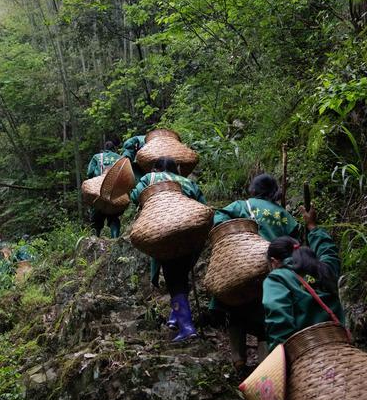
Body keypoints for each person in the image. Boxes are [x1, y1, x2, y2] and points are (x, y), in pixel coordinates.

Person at [262, 205, 343, 400]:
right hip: (340, 359)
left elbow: (279, 324)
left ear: (275, 262)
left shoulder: (278, 279)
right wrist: (313, 228)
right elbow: (329, 253)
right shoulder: (324, 271)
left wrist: (278, 370)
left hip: (306, 365)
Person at [211, 173, 301, 369]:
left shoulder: (243, 206)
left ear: (253, 189)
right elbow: (296, 243)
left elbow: (218, 219)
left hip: (243, 267)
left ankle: (238, 360)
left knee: (236, 311)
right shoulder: (284, 215)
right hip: (273, 270)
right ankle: (264, 370)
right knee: (265, 320)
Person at [130, 157, 206, 342]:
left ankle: (187, 327)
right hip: (191, 235)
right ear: (176, 168)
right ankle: (175, 316)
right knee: (181, 276)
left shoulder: (150, 178)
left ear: (156, 168)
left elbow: (135, 197)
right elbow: (202, 205)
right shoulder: (188, 182)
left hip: (165, 233)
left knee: (174, 281)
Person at [87, 141, 123, 238]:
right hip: (115, 191)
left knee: (97, 216)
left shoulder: (97, 157)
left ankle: (95, 239)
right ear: (114, 149)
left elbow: (90, 173)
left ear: (104, 148)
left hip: (99, 189)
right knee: (114, 216)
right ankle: (115, 239)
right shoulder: (120, 158)